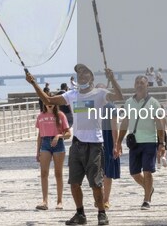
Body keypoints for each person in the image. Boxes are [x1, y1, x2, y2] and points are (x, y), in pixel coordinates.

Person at [26, 64, 123, 226]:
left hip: (95, 145)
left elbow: (119, 96)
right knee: (74, 182)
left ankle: (101, 213)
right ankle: (80, 214)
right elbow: (48, 100)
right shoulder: (72, 94)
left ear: (91, 78)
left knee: (96, 184)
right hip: (77, 145)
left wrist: (112, 78)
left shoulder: (100, 94)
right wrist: (34, 83)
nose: (82, 77)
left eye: (85, 74)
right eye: (79, 75)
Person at [116, 75, 166, 210]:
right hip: (134, 143)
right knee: (134, 173)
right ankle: (149, 188)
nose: (139, 85)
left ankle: (147, 199)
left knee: (148, 170)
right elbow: (125, 123)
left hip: (150, 141)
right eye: (137, 82)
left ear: (147, 85)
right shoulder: (128, 102)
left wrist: (161, 143)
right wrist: (118, 141)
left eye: (142, 83)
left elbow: (159, 124)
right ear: (134, 85)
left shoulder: (153, 102)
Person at [35, 93, 71, 211]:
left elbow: (68, 134)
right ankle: (44, 201)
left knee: (58, 173)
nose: (49, 104)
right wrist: (37, 151)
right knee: (44, 173)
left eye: (51, 102)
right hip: (45, 144)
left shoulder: (61, 116)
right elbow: (40, 135)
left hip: (58, 144)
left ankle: (59, 201)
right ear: (44, 103)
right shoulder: (40, 116)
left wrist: (59, 136)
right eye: (47, 102)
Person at [101, 100, 120, 210]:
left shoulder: (110, 106)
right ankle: (102, 197)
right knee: (101, 171)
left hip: (106, 141)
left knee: (106, 171)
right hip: (95, 141)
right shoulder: (90, 105)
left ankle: (105, 198)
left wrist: (115, 144)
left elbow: (114, 126)